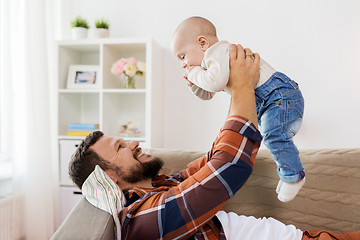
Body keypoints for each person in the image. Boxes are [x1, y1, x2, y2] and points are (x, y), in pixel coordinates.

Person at [69, 45, 359, 240]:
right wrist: (242, 87)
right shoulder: (142, 219)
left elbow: (213, 159)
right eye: (121, 148)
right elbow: (229, 167)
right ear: (109, 177)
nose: (133, 143)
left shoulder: (159, 186)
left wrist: (238, 90)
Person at [171, 16, 305, 202]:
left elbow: (215, 84)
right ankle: (287, 173)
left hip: (279, 93)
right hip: (268, 98)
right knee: (267, 136)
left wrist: (194, 73)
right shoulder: (211, 64)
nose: (183, 63)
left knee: (274, 135)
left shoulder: (217, 51)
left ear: (202, 43)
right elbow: (208, 94)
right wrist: (194, 84)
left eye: (183, 56)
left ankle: (294, 176)